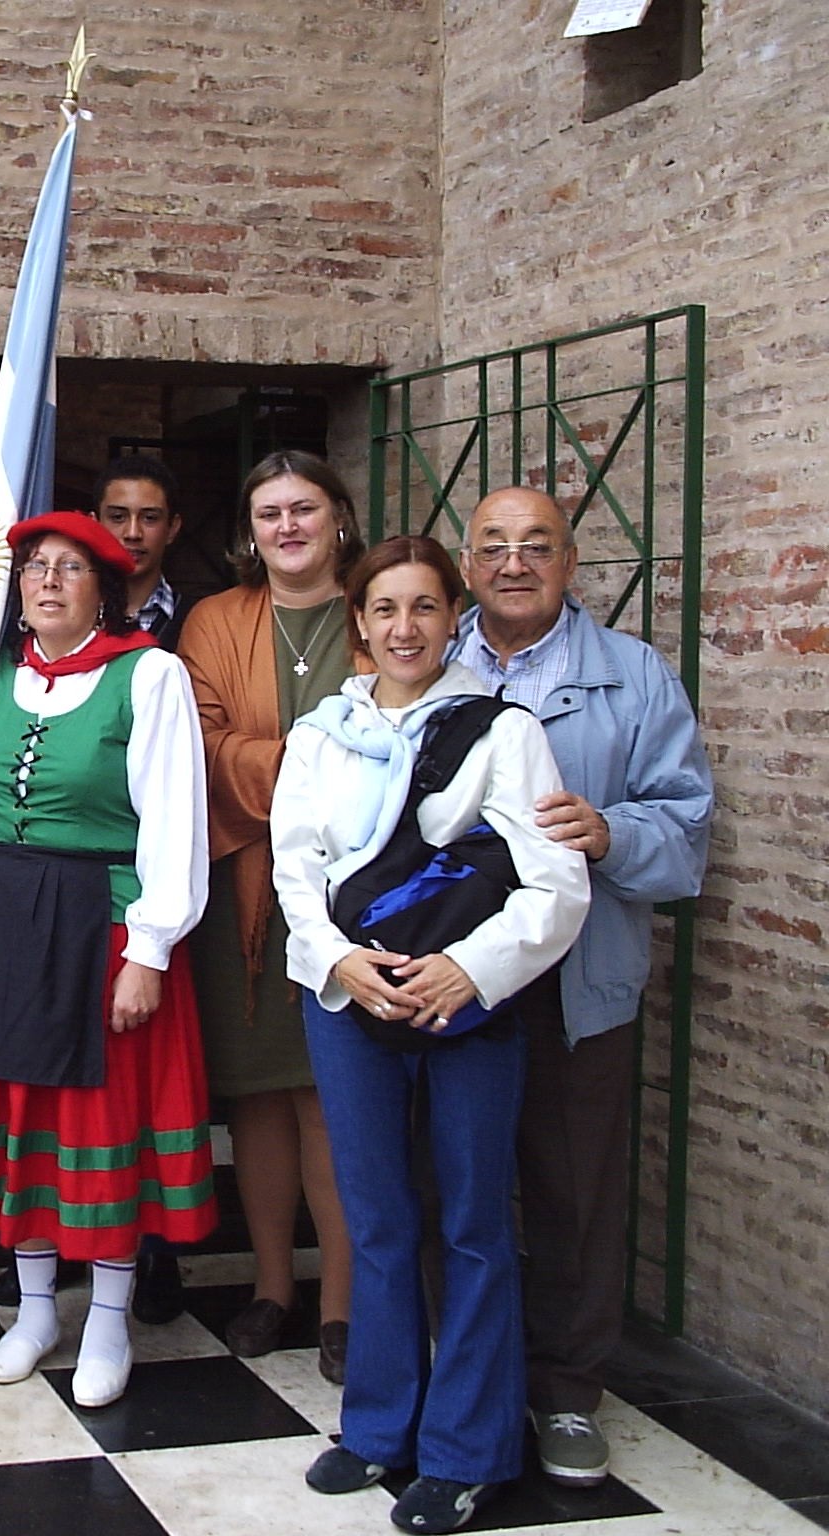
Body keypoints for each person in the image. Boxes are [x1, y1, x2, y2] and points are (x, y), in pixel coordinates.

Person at [274, 536, 590, 1534]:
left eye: (420, 608)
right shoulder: (320, 735)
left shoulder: (501, 732)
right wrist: (337, 962)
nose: (402, 628)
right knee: (374, 1221)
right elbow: (297, 866)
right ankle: (377, 1427)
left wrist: (469, 970)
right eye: (382, 610)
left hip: (468, 1007)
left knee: (469, 1227)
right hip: (350, 1000)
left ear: (449, 617)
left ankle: (467, 1450)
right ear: (357, 625)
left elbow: (553, 882)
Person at [0, 511, 216, 1411]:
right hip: (2, 922)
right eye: (34, 568)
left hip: (102, 926)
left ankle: (112, 1318)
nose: (46, 581)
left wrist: (151, 950)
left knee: (101, 1124)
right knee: (25, 1119)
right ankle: (38, 1308)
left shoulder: (148, 676)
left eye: (70, 568)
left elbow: (174, 817)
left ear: (106, 588)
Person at [454, 487, 712, 1488]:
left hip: (576, 983)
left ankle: (564, 1393)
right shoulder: (428, 660)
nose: (512, 563)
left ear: (568, 563)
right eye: (492, 546)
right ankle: (463, 1378)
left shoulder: (631, 677)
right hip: (453, 979)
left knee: (572, 1191)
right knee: (453, 1189)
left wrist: (610, 832)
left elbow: (686, 827)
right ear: (466, 562)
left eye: (535, 546)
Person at [176, 449, 364, 1381]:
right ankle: (270, 1287)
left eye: (304, 508)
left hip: (356, 891)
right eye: (268, 513)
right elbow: (202, 743)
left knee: (330, 1097)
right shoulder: (216, 620)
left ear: (339, 517)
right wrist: (313, 765)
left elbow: (406, 734)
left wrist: (316, 775)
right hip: (246, 886)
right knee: (257, 1099)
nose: (287, 527)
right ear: (248, 530)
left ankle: (341, 1301)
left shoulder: (376, 610)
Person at [96, 453, 192, 646]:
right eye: (117, 517)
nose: (133, 533)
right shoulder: (68, 615)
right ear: (94, 524)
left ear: (172, 528)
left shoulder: (197, 621)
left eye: (149, 518)